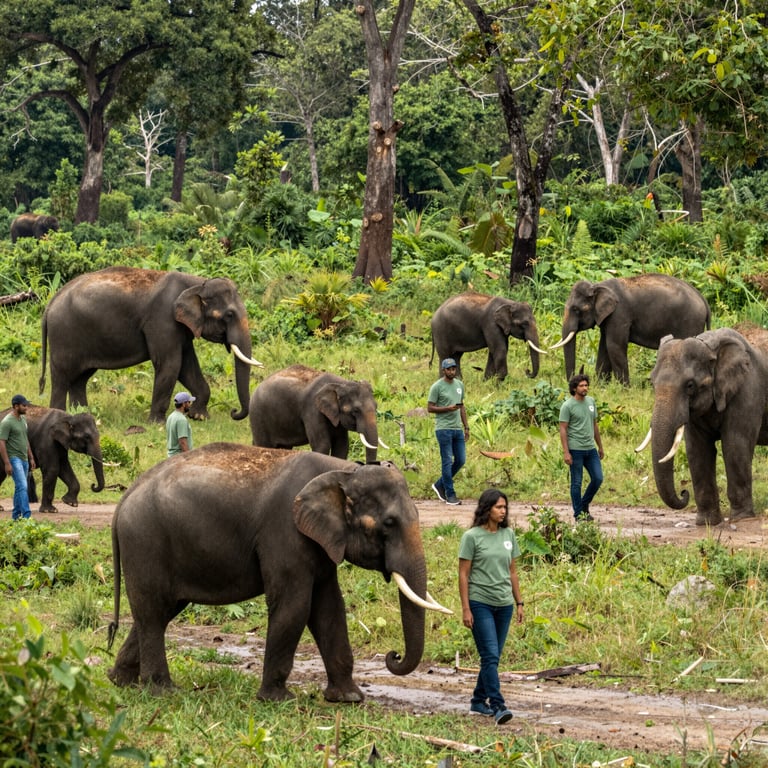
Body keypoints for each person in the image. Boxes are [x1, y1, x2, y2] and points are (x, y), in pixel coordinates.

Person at [458, 489, 524, 724]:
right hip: (480, 602)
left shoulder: (509, 535)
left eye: (505, 507)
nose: (503, 511)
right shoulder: (472, 537)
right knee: (490, 655)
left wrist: (519, 602)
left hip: (504, 604)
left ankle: (477, 702)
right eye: (498, 507)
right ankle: (498, 705)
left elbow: (513, 572)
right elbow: (463, 575)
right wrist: (466, 608)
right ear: (487, 509)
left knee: (491, 658)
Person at [559, 374, 604, 522]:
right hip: (575, 449)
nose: (585, 388)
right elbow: (563, 429)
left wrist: (600, 446)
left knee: (598, 478)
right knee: (576, 482)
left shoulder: (591, 402)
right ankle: (578, 514)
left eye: (586, 385)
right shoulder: (567, 406)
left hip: (590, 449)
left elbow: (594, 424)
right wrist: (566, 452)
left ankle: (584, 505)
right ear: (574, 388)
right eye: (582, 386)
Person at [428, 358, 469, 505]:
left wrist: (466, 427)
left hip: (457, 428)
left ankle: (439, 484)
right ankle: (450, 495)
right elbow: (430, 408)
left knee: (461, 460)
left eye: (453, 368)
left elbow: (462, 407)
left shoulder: (459, 385)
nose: (452, 371)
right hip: (443, 429)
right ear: (443, 370)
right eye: (449, 369)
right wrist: (447, 408)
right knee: (447, 461)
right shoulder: (437, 387)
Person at [0, 394, 36, 520]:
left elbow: (25, 439)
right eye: (24, 405)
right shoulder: (7, 422)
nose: (26, 407)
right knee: (23, 486)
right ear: (16, 406)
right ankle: (27, 517)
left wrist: (31, 457)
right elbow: (2, 442)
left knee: (19, 487)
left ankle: (15, 517)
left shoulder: (22, 420)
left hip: (24, 459)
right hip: (14, 458)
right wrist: (7, 463)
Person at [167, 392, 195, 456]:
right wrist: (189, 457)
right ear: (183, 404)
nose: (190, 405)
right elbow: (182, 442)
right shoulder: (181, 419)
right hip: (179, 457)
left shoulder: (171, 416)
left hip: (171, 456)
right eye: (189, 402)